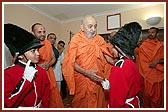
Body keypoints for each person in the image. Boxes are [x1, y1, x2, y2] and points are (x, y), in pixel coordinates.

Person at [62, 15, 115, 108]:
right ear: (82, 27)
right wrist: (86, 72)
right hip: (83, 79)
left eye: (95, 26)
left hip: (98, 78)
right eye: (90, 26)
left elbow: (108, 57)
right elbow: (71, 62)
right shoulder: (75, 40)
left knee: (99, 102)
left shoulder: (100, 39)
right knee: (83, 103)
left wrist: (118, 62)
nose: (93, 29)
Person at [4, 23, 50, 108]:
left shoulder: (42, 71)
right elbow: (7, 104)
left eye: (37, 50)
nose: (38, 54)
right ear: (20, 55)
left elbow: (46, 97)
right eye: (33, 51)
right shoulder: (7, 73)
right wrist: (25, 81)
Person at [101, 22, 144, 108]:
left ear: (118, 48)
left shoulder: (119, 67)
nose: (111, 50)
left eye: (112, 47)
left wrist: (109, 89)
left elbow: (116, 102)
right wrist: (112, 85)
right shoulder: (131, 62)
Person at [31, 23, 64, 107]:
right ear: (33, 33)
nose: (42, 34)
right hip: (36, 73)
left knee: (52, 94)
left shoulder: (48, 43)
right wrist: (39, 66)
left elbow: (53, 58)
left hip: (49, 72)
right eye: (39, 32)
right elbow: (27, 61)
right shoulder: (30, 44)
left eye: (44, 32)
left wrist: (48, 64)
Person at [135, 27, 164, 108]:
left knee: (158, 98)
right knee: (146, 96)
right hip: (145, 75)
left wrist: (157, 61)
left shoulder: (162, 45)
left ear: (157, 34)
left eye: (153, 32)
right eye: (149, 32)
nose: (150, 34)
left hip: (157, 75)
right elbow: (138, 55)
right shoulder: (144, 45)